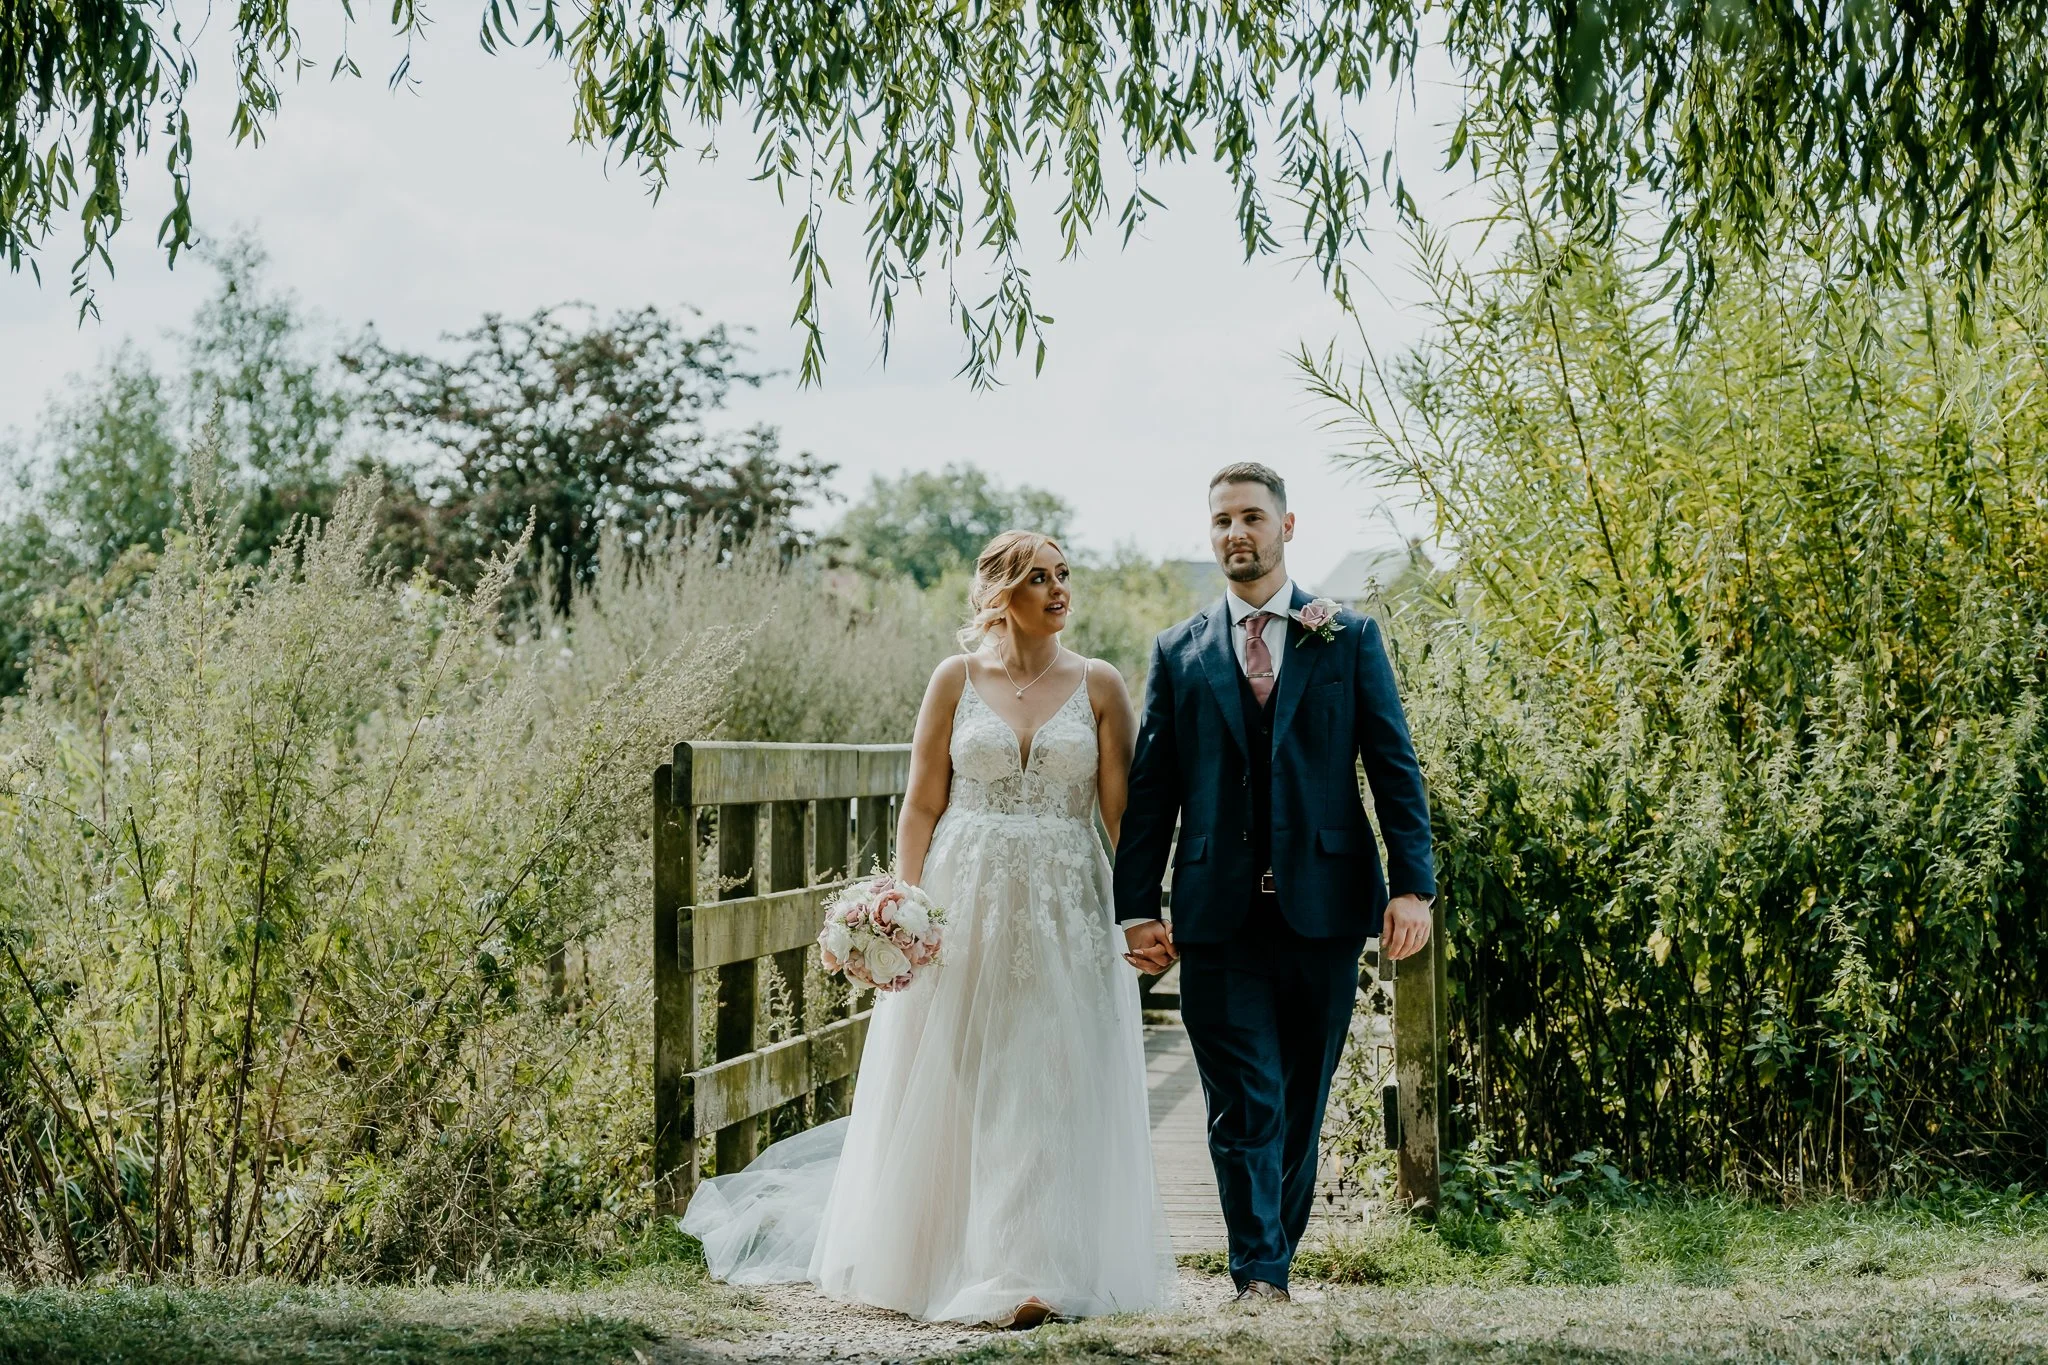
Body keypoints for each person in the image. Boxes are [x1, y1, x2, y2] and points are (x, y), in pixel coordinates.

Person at [682, 531, 1177, 1327]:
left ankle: (1032, 1268)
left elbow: (1121, 814)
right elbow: (920, 801)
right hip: (965, 894)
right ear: (998, 595)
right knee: (962, 1075)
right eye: (1039, 578)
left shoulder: (1100, 684)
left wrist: (1142, 908)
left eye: (1063, 575)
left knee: (1046, 1074)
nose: (1059, 590)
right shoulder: (955, 679)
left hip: (1063, 904)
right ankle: (942, 1255)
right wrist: (896, 910)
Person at [1113, 462, 1436, 1303]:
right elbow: (1152, 791)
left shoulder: (1349, 638)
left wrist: (1414, 886)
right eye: (1221, 520)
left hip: (1323, 911)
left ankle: (1270, 1259)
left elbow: (1393, 767)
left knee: (1299, 1100)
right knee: (1244, 1101)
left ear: (1286, 527)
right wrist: (1137, 907)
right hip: (1216, 916)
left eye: (1251, 517)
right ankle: (1260, 1273)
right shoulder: (1178, 652)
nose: (1235, 534)